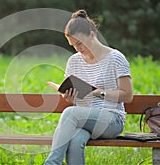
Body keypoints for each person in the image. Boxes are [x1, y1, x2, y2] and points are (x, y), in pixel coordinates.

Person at [44, 10, 133, 165]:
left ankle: (52, 163)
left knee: (69, 113)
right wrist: (68, 97)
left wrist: (100, 93)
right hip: (84, 119)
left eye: (79, 43)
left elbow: (127, 95)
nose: (77, 49)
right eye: (73, 45)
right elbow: (76, 99)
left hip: (112, 119)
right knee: (75, 141)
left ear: (92, 35)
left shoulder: (116, 58)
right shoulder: (74, 61)